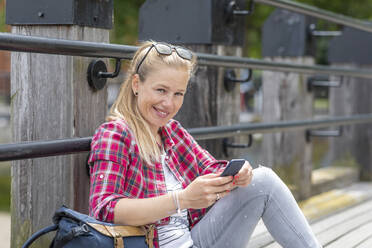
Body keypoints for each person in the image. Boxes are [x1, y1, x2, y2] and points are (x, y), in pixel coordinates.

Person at [88, 41, 321, 248]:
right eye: (161, 90)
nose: (168, 103)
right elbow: (105, 209)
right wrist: (181, 199)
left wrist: (238, 174)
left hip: (194, 240)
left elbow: (211, 169)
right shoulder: (115, 134)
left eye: (178, 93)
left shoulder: (172, 132)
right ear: (136, 84)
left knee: (263, 180)